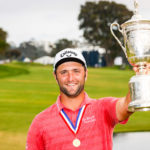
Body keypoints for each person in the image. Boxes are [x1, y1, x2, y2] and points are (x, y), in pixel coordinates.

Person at [26, 48, 133, 150]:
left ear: (85, 74)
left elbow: (127, 105)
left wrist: (143, 75)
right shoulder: (40, 122)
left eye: (76, 71)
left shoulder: (103, 108)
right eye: (64, 72)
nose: (70, 78)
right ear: (55, 76)